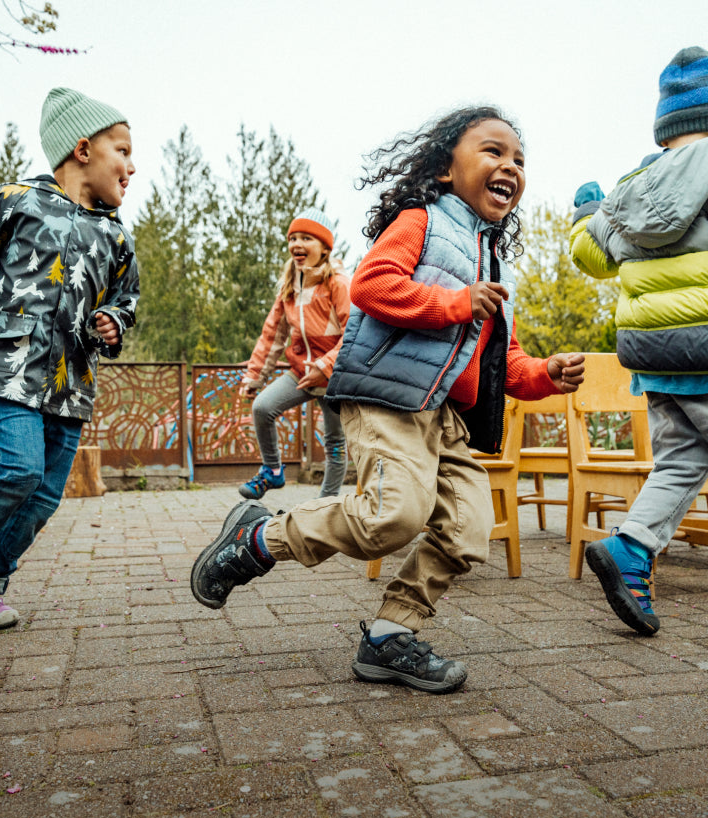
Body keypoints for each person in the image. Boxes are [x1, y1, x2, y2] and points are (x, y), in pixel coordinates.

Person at [191, 105, 584, 694]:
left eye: (519, 160)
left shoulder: (492, 260)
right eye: (493, 151)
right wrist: (455, 303)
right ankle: (259, 538)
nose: (510, 166)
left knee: (470, 529)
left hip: (443, 417)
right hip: (386, 399)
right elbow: (373, 285)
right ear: (447, 169)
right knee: (392, 516)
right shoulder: (420, 220)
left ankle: (388, 636)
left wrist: (547, 373)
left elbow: (504, 361)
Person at [0, 86, 140, 630]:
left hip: (71, 378)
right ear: (83, 150)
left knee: (43, 496)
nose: (132, 166)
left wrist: (114, 320)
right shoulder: (20, 201)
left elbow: (124, 296)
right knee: (19, 468)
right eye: (124, 151)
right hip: (9, 363)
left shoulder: (116, 236)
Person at [570, 46, 708, 637]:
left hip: (654, 360)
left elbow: (591, 254)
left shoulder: (633, 188)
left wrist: (584, 212)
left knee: (682, 459)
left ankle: (631, 547)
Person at [238, 209, 351, 500]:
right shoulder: (290, 287)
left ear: (325, 248)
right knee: (263, 408)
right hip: (301, 371)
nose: (296, 244)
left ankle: (325, 505)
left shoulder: (337, 284)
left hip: (335, 376)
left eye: (306, 238)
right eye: (293, 238)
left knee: (335, 443)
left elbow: (355, 334)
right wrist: (254, 376)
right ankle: (272, 471)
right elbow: (272, 336)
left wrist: (325, 366)